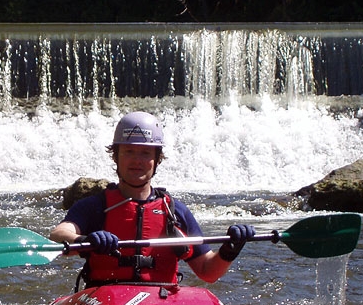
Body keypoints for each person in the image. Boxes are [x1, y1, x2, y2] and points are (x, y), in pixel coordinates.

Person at [49, 111, 255, 286]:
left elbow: (207, 271)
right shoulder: (94, 206)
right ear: (116, 156)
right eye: (129, 151)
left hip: (161, 300)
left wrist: (231, 248)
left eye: (145, 153)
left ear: (156, 160)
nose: (137, 161)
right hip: (107, 297)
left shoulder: (175, 212)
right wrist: (83, 240)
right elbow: (58, 234)